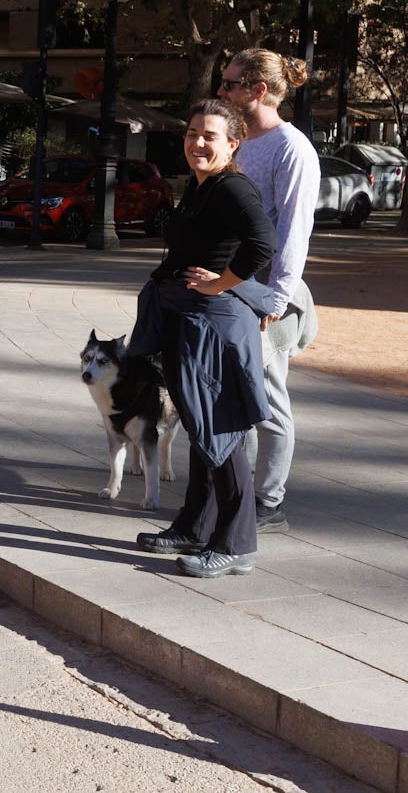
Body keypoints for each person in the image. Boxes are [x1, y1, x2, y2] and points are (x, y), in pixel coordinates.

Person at [133, 100, 277, 579]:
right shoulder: (201, 187)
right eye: (192, 132)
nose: (197, 142)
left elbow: (262, 244)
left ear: (233, 143)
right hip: (187, 317)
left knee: (222, 432)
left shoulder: (232, 187)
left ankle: (235, 545)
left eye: (209, 135)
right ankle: (196, 525)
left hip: (212, 325)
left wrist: (219, 283)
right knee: (201, 429)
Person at [217, 50, 320, 533]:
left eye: (230, 84)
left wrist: (276, 301)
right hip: (227, 287)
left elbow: (295, 231)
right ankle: (236, 492)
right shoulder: (235, 140)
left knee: (268, 399)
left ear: (258, 91)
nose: (222, 91)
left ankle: (269, 501)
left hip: (263, 295)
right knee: (233, 394)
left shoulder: (291, 148)